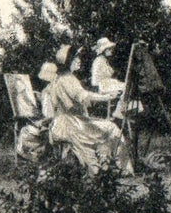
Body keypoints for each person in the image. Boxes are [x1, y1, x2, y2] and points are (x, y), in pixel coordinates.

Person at [48, 45, 131, 173]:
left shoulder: (62, 78)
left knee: (106, 128)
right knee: (112, 128)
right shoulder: (67, 79)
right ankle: (123, 169)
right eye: (75, 58)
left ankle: (109, 164)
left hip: (70, 122)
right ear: (68, 61)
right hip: (71, 124)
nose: (79, 60)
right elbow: (84, 95)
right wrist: (107, 97)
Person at [16, 61, 58, 162]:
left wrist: (41, 122)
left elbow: (50, 115)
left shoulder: (48, 92)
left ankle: (35, 158)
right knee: (30, 130)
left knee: (25, 132)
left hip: (51, 126)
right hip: (54, 123)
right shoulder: (53, 88)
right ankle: (38, 156)